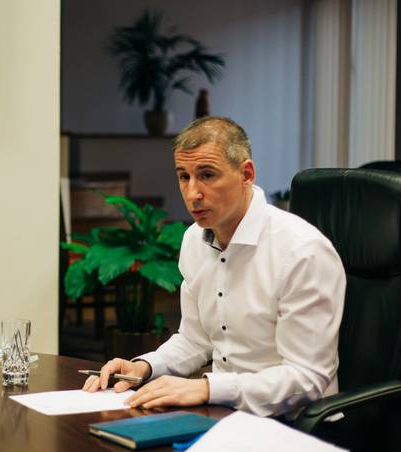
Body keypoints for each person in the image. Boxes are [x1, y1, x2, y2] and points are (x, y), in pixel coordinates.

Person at [82, 116, 345, 418]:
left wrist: (208, 388)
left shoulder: (302, 251)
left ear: (246, 174)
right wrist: (144, 367)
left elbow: (306, 378)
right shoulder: (194, 239)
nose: (192, 193)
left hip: (295, 425)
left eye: (207, 175)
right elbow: (195, 339)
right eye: (184, 176)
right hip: (223, 414)